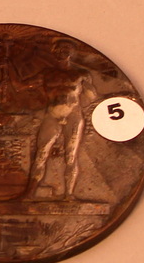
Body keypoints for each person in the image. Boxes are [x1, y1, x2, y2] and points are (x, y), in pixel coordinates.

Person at [23, 39, 97, 200]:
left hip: (73, 114)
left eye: (67, 49)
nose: (64, 51)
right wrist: (7, 68)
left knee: (70, 155)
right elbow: (22, 85)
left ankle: (69, 194)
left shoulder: (81, 74)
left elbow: (91, 97)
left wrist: (87, 89)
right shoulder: (46, 74)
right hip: (52, 114)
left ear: (71, 53)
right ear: (54, 51)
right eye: (61, 48)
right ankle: (29, 193)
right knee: (41, 153)